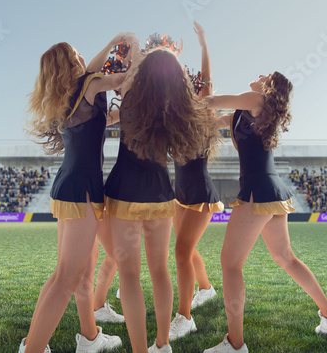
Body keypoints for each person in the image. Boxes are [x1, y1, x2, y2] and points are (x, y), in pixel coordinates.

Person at [202, 72, 327, 353]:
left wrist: (181, 97)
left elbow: (210, 101)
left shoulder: (254, 99)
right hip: (273, 191)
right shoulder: (243, 113)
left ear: (267, 87)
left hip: (257, 191)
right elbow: (211, 120)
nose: (257, 75)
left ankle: (235, 344)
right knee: (285, 258)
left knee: (230, 264)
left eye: (265, 75)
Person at [19, 34, 136, 353]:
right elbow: (125, 77)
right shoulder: (88, 85)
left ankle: (89, 338)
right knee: (67, 279)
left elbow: (100, 102)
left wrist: (114, 41)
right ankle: (33, 349)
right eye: (76, 53)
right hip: (82, 190)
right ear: (70, 63)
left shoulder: (73, 93)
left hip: (70, 186)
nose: (84, 56)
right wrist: (132, 46)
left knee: (72, 273)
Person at [104, 47, 220, 353]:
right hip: (160, 194)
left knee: (129, 274)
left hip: (123, 193)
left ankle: (141, 350)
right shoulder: (180, 112)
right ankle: (163, 343)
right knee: (160, 271)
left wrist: (129, 43)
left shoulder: (130, 98)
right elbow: (205, 86)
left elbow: (131, 63)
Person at [169, 22, 229, 341]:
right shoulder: (176, 118)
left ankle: (185, 317)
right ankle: (205, 288)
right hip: (181, 195)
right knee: (187, 250)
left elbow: (206, 80)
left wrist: (204, 42)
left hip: (201, 196)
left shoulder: (204, 111)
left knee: (180, 252)